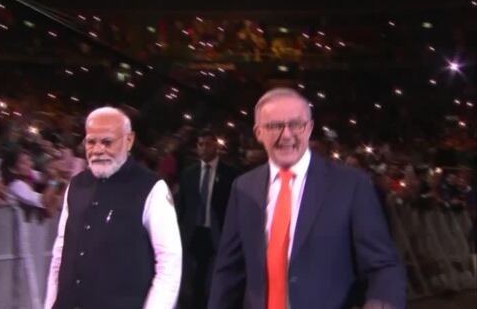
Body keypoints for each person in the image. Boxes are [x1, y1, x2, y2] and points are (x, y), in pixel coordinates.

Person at [208, 88, 406, 309]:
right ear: (258, 133)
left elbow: (383, 266)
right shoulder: (243, 187)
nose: (287, 135)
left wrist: (380, 303)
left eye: (296, 124)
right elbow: (228, 271)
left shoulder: (351, 185)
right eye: (274, 126)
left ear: (309, 128)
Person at [44, 107, 182, 309]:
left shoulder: (151, 187)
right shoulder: (75, 186)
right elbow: (61, 251)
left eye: (107, 142)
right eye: (91, 142)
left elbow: (169, 261)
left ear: (129, 141)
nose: (98, 149)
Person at [177, 129, 238, 309]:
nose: (203, 148)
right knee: (194, 275)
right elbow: (182, 206)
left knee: (213, 275)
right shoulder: (189, 173)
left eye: (208, 144)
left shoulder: (230, 174)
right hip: (194, 231)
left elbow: (232, 207)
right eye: (200, 144)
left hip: (217, 232)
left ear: (216, 147)